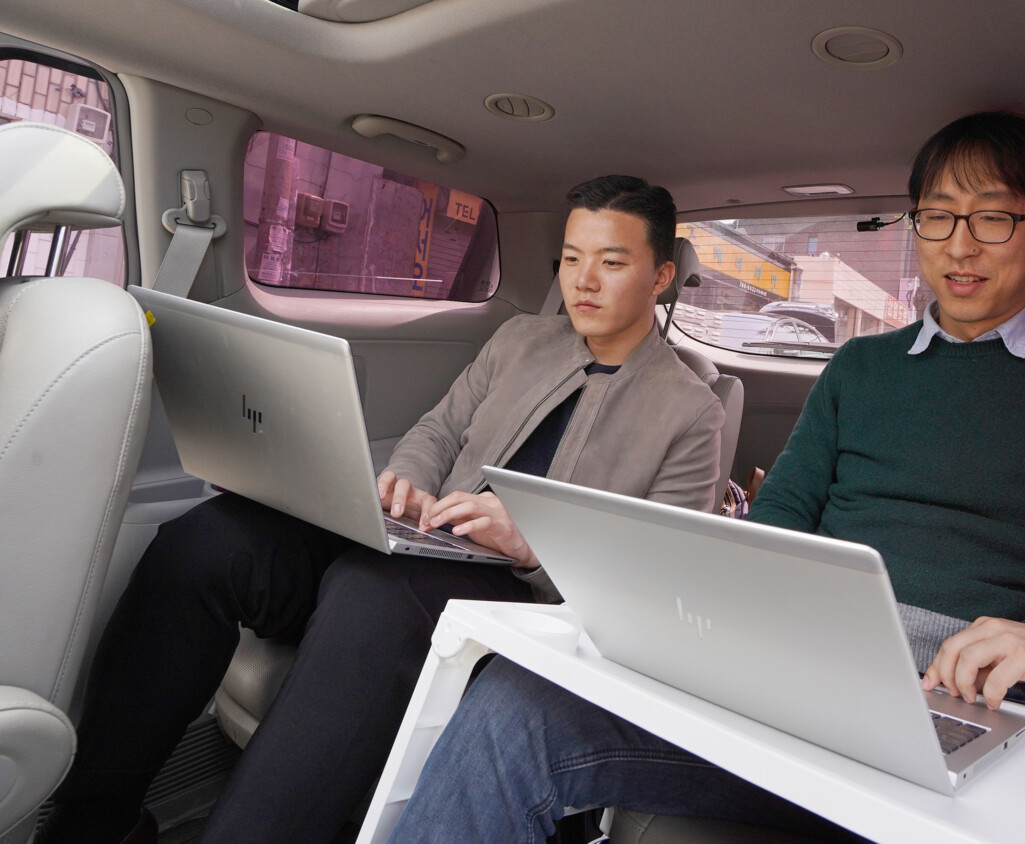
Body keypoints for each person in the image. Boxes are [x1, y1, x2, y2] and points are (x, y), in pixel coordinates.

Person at [383, 112, 1025, 843]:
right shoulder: (859, 372)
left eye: (993, 217)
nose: (959, 245)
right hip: (808, 672)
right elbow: (777, 526)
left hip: (980, 700)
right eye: (938, 218)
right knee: (515, 708)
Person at [39, 175, 725, 844]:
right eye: (572, 259)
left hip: (521, 598)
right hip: (421, 542)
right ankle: (97, 822)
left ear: (660, 276)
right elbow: (437, 431)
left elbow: (655, 585)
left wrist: (530, 546)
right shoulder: (521, 341)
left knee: (372, 595)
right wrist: (404, 482)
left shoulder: (690, 411)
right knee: (211, 542)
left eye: (611, 262)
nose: (584, 281)